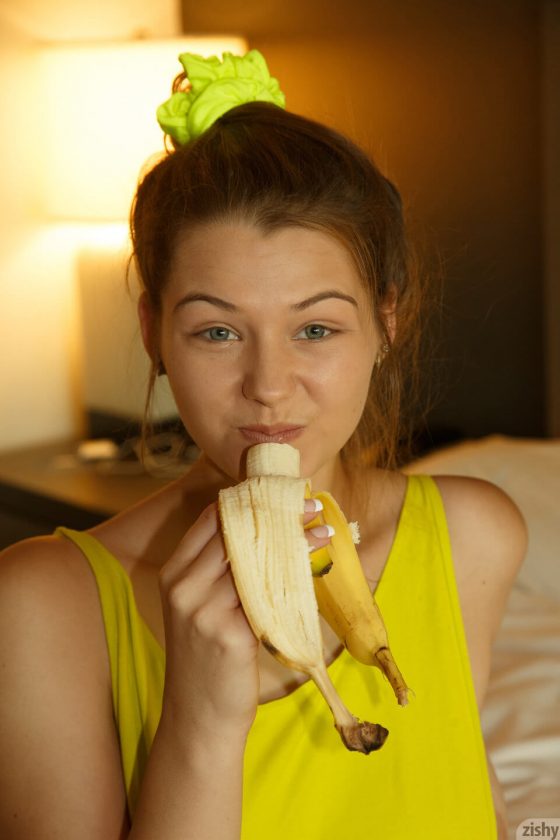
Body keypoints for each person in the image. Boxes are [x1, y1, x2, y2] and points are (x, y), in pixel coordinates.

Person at [0, 49, 525, 839]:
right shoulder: (44, 606)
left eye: (316, 329)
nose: (269, 386)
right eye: (218, 332)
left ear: (386, 323)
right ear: (153, 334)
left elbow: (474, 801)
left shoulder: (474, 536)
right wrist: (202, 724)